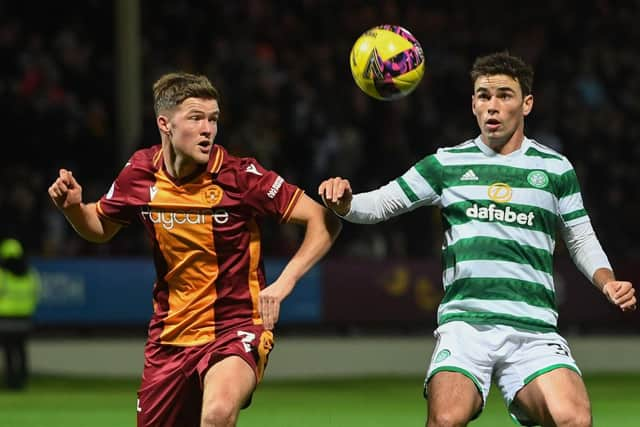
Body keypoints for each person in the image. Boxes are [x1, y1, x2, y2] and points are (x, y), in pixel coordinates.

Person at [318, 51, 636, 427]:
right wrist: (346, 201)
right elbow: (382, 203)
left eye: (505, 95)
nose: (493, 106)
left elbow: (580, 236)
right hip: (467, 327)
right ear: (473, 104)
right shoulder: (446, 164)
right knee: (446, 419)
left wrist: (607, 281)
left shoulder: (555, 168)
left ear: (527, 103)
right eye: (484, 96)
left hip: (532, 329)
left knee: (573, 419)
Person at [48, 72, 342, 427]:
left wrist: (284, 284)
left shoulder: (240, 176)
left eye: (213, 119)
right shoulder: (140, 171)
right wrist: (73, 209)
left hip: (235, 328)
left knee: (217, 414)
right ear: (165, 124)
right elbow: (99, 227)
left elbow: (325, 221)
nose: (208, 129)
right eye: (196, 118)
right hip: (169, 338)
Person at [0, 238, 41, 390]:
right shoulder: (31, 274)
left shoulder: (2, 275)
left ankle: (11, 382)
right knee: (22, 351)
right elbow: (36, 293)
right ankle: (23, 381)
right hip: (24, 319)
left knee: (9, 352)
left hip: (5, 320)